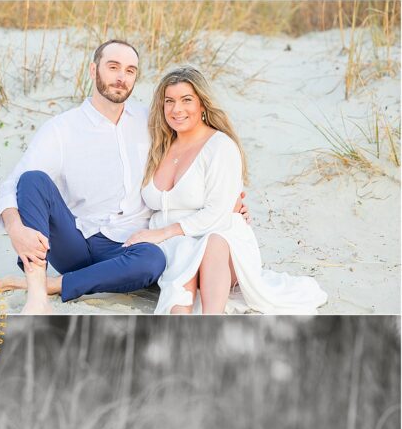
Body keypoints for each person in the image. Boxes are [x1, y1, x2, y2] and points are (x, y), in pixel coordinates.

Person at [0, 41, 247, 313]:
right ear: (93, 70)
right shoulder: (62, 129)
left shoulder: (151, 121)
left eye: (130, 70)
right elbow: (14, 182)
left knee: (152, 261)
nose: (121, 78)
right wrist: (15, 227)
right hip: (76, 240)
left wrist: (230, 198)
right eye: (113, 67)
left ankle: (56, 284)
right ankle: (36, 292)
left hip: (127, 246)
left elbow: (194, 154)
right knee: (33, 179)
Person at [130, 66, 328, 315]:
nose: (176, 109)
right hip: (173, 245)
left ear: (202, 105)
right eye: (169, 101)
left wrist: (162, 233)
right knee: (182, 266)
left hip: (218, 237)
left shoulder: (220, 147)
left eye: (186, 100)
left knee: (212, 243)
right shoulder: (158, 146)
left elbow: (218, 214)